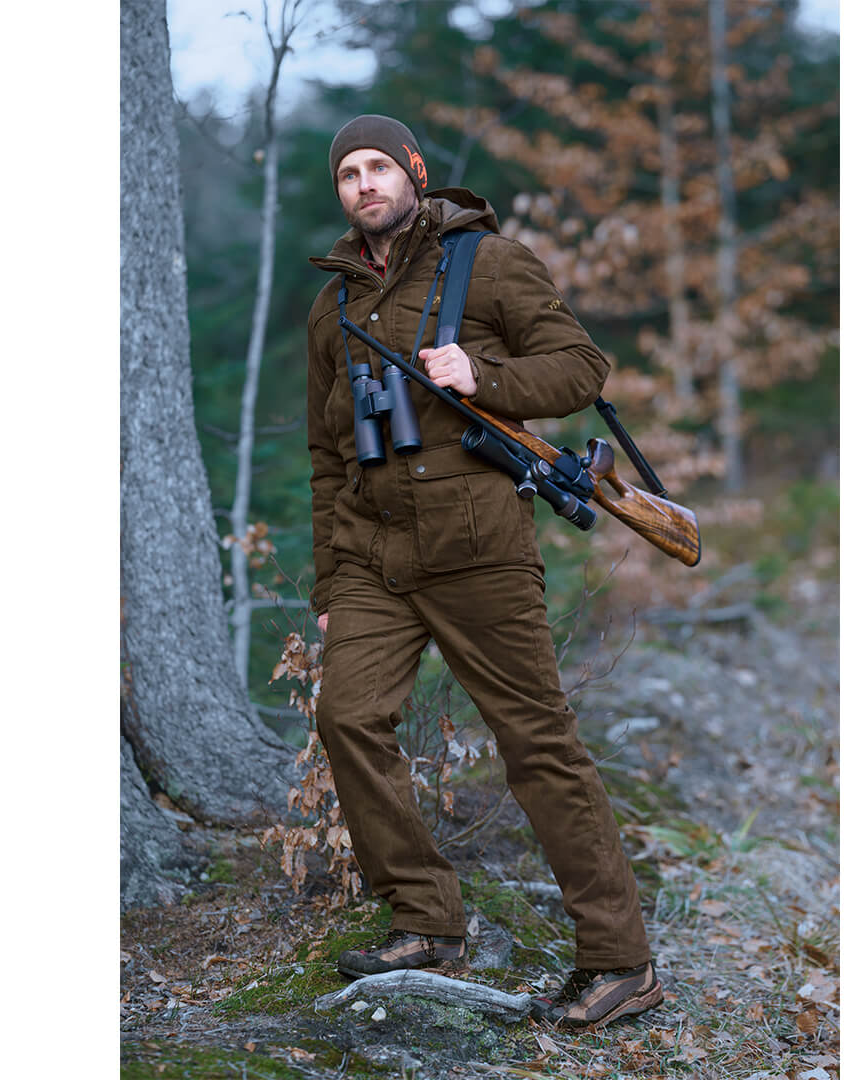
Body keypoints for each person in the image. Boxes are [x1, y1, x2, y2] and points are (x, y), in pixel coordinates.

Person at [305, 114, 664, 1028]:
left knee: (536, 744)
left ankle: (620, 961)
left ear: (415, 172)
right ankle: (426, 919)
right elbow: (324, 456)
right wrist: (329, 585)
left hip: (480, 551)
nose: (364, 184)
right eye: (348, 173)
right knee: (347, 718)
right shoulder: (332, 305)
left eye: (379, 166)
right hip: (371, 556)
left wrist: (482, 375)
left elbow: (581, 368)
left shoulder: (489, 263)